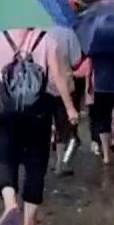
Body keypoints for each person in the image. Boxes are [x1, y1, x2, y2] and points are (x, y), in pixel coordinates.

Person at [0, 27, 78, 225]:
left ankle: (10, 204)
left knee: (5, 157)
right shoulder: (46, 39)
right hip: (38, 109)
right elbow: (57, 76)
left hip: (6, 107)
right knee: (36, 163)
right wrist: (69, 108)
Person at [46, 24, 84, 175]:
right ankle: (61, 162)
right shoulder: (68, 33)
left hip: (41, 87)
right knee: (65, 126)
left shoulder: (39, 32)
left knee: (46, 124)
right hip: (66, 85)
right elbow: (76, 61)